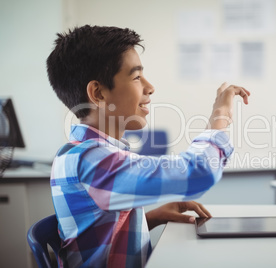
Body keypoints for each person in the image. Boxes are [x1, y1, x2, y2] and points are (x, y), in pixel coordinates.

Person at [46, 25, 250, 267]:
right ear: (98, 93)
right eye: (136, 77)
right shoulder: (90, 160)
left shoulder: (81, 151)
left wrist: (149, 218)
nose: (150, 87)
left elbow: (98, 231)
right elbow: (199, 172)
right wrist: (221, 115)